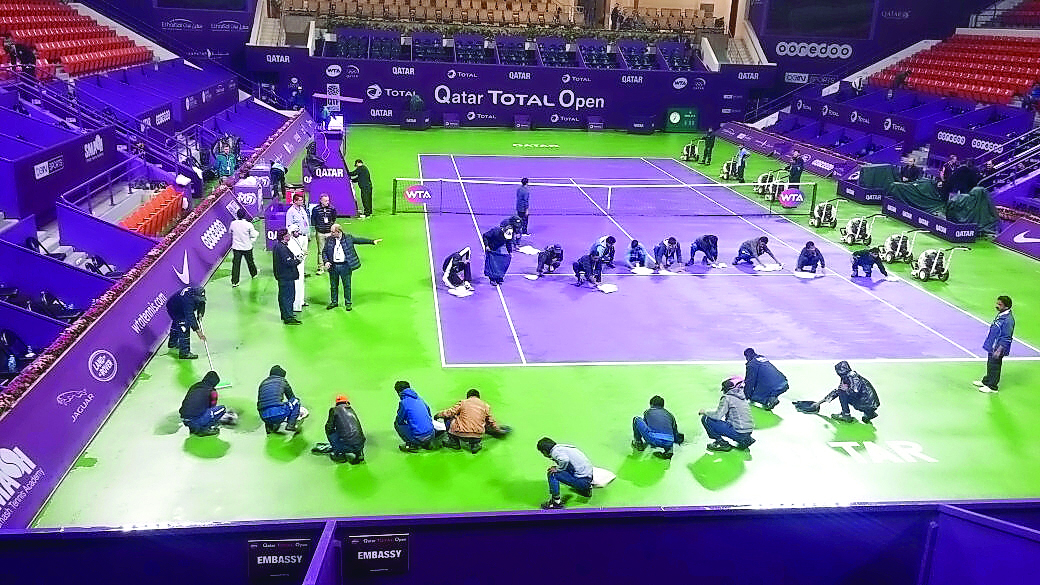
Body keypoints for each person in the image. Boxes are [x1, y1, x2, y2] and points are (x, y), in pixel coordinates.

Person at [322, 223, 381, 311]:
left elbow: (359, 240)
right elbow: (324, 252)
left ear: (339, 231)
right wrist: (326, 261)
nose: (331, 234)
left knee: (347, 285)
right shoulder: (329, 239)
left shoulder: (348, 238)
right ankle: (334, 302)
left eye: (333, 232)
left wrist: (372, 241)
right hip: (333, 266)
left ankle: (348, 303)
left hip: (345, 266)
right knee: (333, 286)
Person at [435, 389, 509, 453]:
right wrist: (498, 430)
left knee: (448, 418)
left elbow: (450, 412)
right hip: (477, 436)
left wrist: (438, 415)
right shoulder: (485, 406)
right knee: (483, 422)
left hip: (460, 433)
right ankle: (474, 445)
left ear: (468, 396)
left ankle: (453, 442)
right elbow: (491, 421)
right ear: (478, 397)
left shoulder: (463, 402)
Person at [808, 361, 880, 424]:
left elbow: (854, 391)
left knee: (842, 392)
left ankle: (846, 415)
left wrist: (846, 390)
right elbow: (836, 391)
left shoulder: (851, 376)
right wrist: (820, 402)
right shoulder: (850, 376)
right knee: (842, 390)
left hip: (866, 403)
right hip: (871, 403)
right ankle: (869, 413)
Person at [699, 377, 755, 452]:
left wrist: (705, 412)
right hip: (748, 432)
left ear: (726, 389)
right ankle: (745, 439)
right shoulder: (742, 398)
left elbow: (717, 416)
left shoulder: (727, 398)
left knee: (706, 419)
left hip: (739, 433)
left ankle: (721, 443)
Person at [537, 437, 593, 509]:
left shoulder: (555, 452)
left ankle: (556, 502)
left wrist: (558, 469)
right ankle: (586, 490)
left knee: (552, 474)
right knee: (563, 467)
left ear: (544, 451)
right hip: (588, 478)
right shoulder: (562, 448)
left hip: (583, 482)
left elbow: (564, 460)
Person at [976, 295, 1015, 393]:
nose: (997, 306)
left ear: (1006, 306)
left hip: (998, 347)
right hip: (993, 345)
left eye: (1000, 304)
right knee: (990, 364)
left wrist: (999, 349)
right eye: (997, 303)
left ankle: (992, 386)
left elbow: (1007, 337)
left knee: (995, 366)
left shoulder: (1008, 320)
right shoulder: (1001, 314)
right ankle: (987, 381)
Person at [179, 371, 236, 437]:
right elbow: (212, 407)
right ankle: (204, 429)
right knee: (222, 409)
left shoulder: (195, 386)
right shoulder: (212, 392)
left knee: (197, 410)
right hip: (195, 420)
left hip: (184, 418)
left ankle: (193, 428)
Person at [312, 394, 366, 463]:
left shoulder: (334, 410)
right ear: (347, 402)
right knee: (354, 433)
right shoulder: (351, 410)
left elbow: (329, 427)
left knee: (330, 432)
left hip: (347, 445)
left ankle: (339, 454)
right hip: (360, 444)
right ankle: (359, 453)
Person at [257, 365, 305, 434]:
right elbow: (291, 397)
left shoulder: (263, 383)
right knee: (296, 401)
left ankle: (270, 428)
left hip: (263, 416)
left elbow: (263, 402)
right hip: (278, 413)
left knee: (267, 404)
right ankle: (291, 425)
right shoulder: (282, 381)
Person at [394, 381, 437, 452]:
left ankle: (412, 445)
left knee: (397, 424)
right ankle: (427, 443)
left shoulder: (403, 403)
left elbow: (399, 420)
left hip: (419, 438)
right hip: (432, 434)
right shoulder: (419, 398)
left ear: (398, 392)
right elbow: (429, 412)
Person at [166, 286, 206, 359]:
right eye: (198, 298)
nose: (200, 299)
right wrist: (198, 331)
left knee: (178, 323)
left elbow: (202, 303)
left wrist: (200, 313)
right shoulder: (187, 300)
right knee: (184, 326)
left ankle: (172, 343)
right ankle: (185, 353)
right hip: (174, 308)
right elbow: (190, 316)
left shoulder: (197, 293)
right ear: (194, 296)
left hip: (180, 306)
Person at [272, 229, 301, 325]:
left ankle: (285, 314)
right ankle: (288, 317)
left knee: (283, 296)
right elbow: (288, 262)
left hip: (282, 276)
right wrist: (298, 260)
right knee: (288, 297)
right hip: (286, 276)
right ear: (284, 237)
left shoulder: (278, 246)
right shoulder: (282, 248)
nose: (289, 235)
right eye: (288, 234)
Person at [230, 209, 259, 287]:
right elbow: (253, 235)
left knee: (236, 264)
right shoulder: (249, 225)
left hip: (236, 248)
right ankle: (254, 274)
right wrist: (256, 233)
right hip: (247, 247)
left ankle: (234, 282)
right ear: (245, 215)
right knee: (250, 262)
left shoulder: (233, 223)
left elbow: (230, 231)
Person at [310, 194, 337, 275]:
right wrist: (317, 227)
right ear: (321, 201)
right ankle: (320, 267)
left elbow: (333, 218)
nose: (327, 202)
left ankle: (330, 267)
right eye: (325, 201)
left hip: (329, 233)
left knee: (330, 250)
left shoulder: (332, 208)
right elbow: (313, 219)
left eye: (328, 200)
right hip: (320, 233)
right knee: (321, 251)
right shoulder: (316, 209)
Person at [287, 225, 308, 313]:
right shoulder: (289, 242)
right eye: (296, 231)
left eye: (298, 231)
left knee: (301, 283)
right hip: (294, 266)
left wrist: (303, 254)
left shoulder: (300, 239)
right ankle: (295, 305)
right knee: (296, 285)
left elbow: (303, 249)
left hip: (301, 264)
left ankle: (301, 301)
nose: (298, 233)